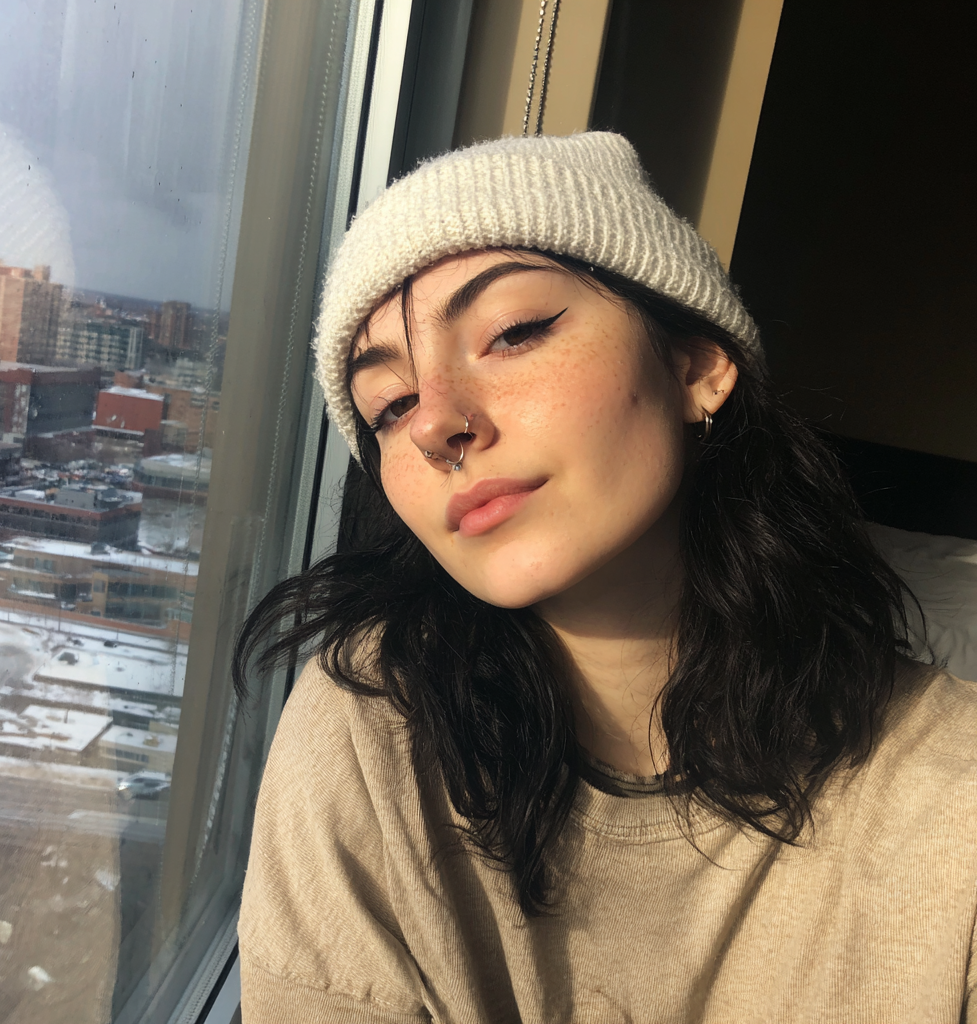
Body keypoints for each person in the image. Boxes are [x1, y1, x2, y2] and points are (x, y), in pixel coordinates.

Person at [233, 132, 976, 1023]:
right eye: (389, 405)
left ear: (696, 365)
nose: (434, 425)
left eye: (513, 332)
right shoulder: (366, 725)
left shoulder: (951, 802)